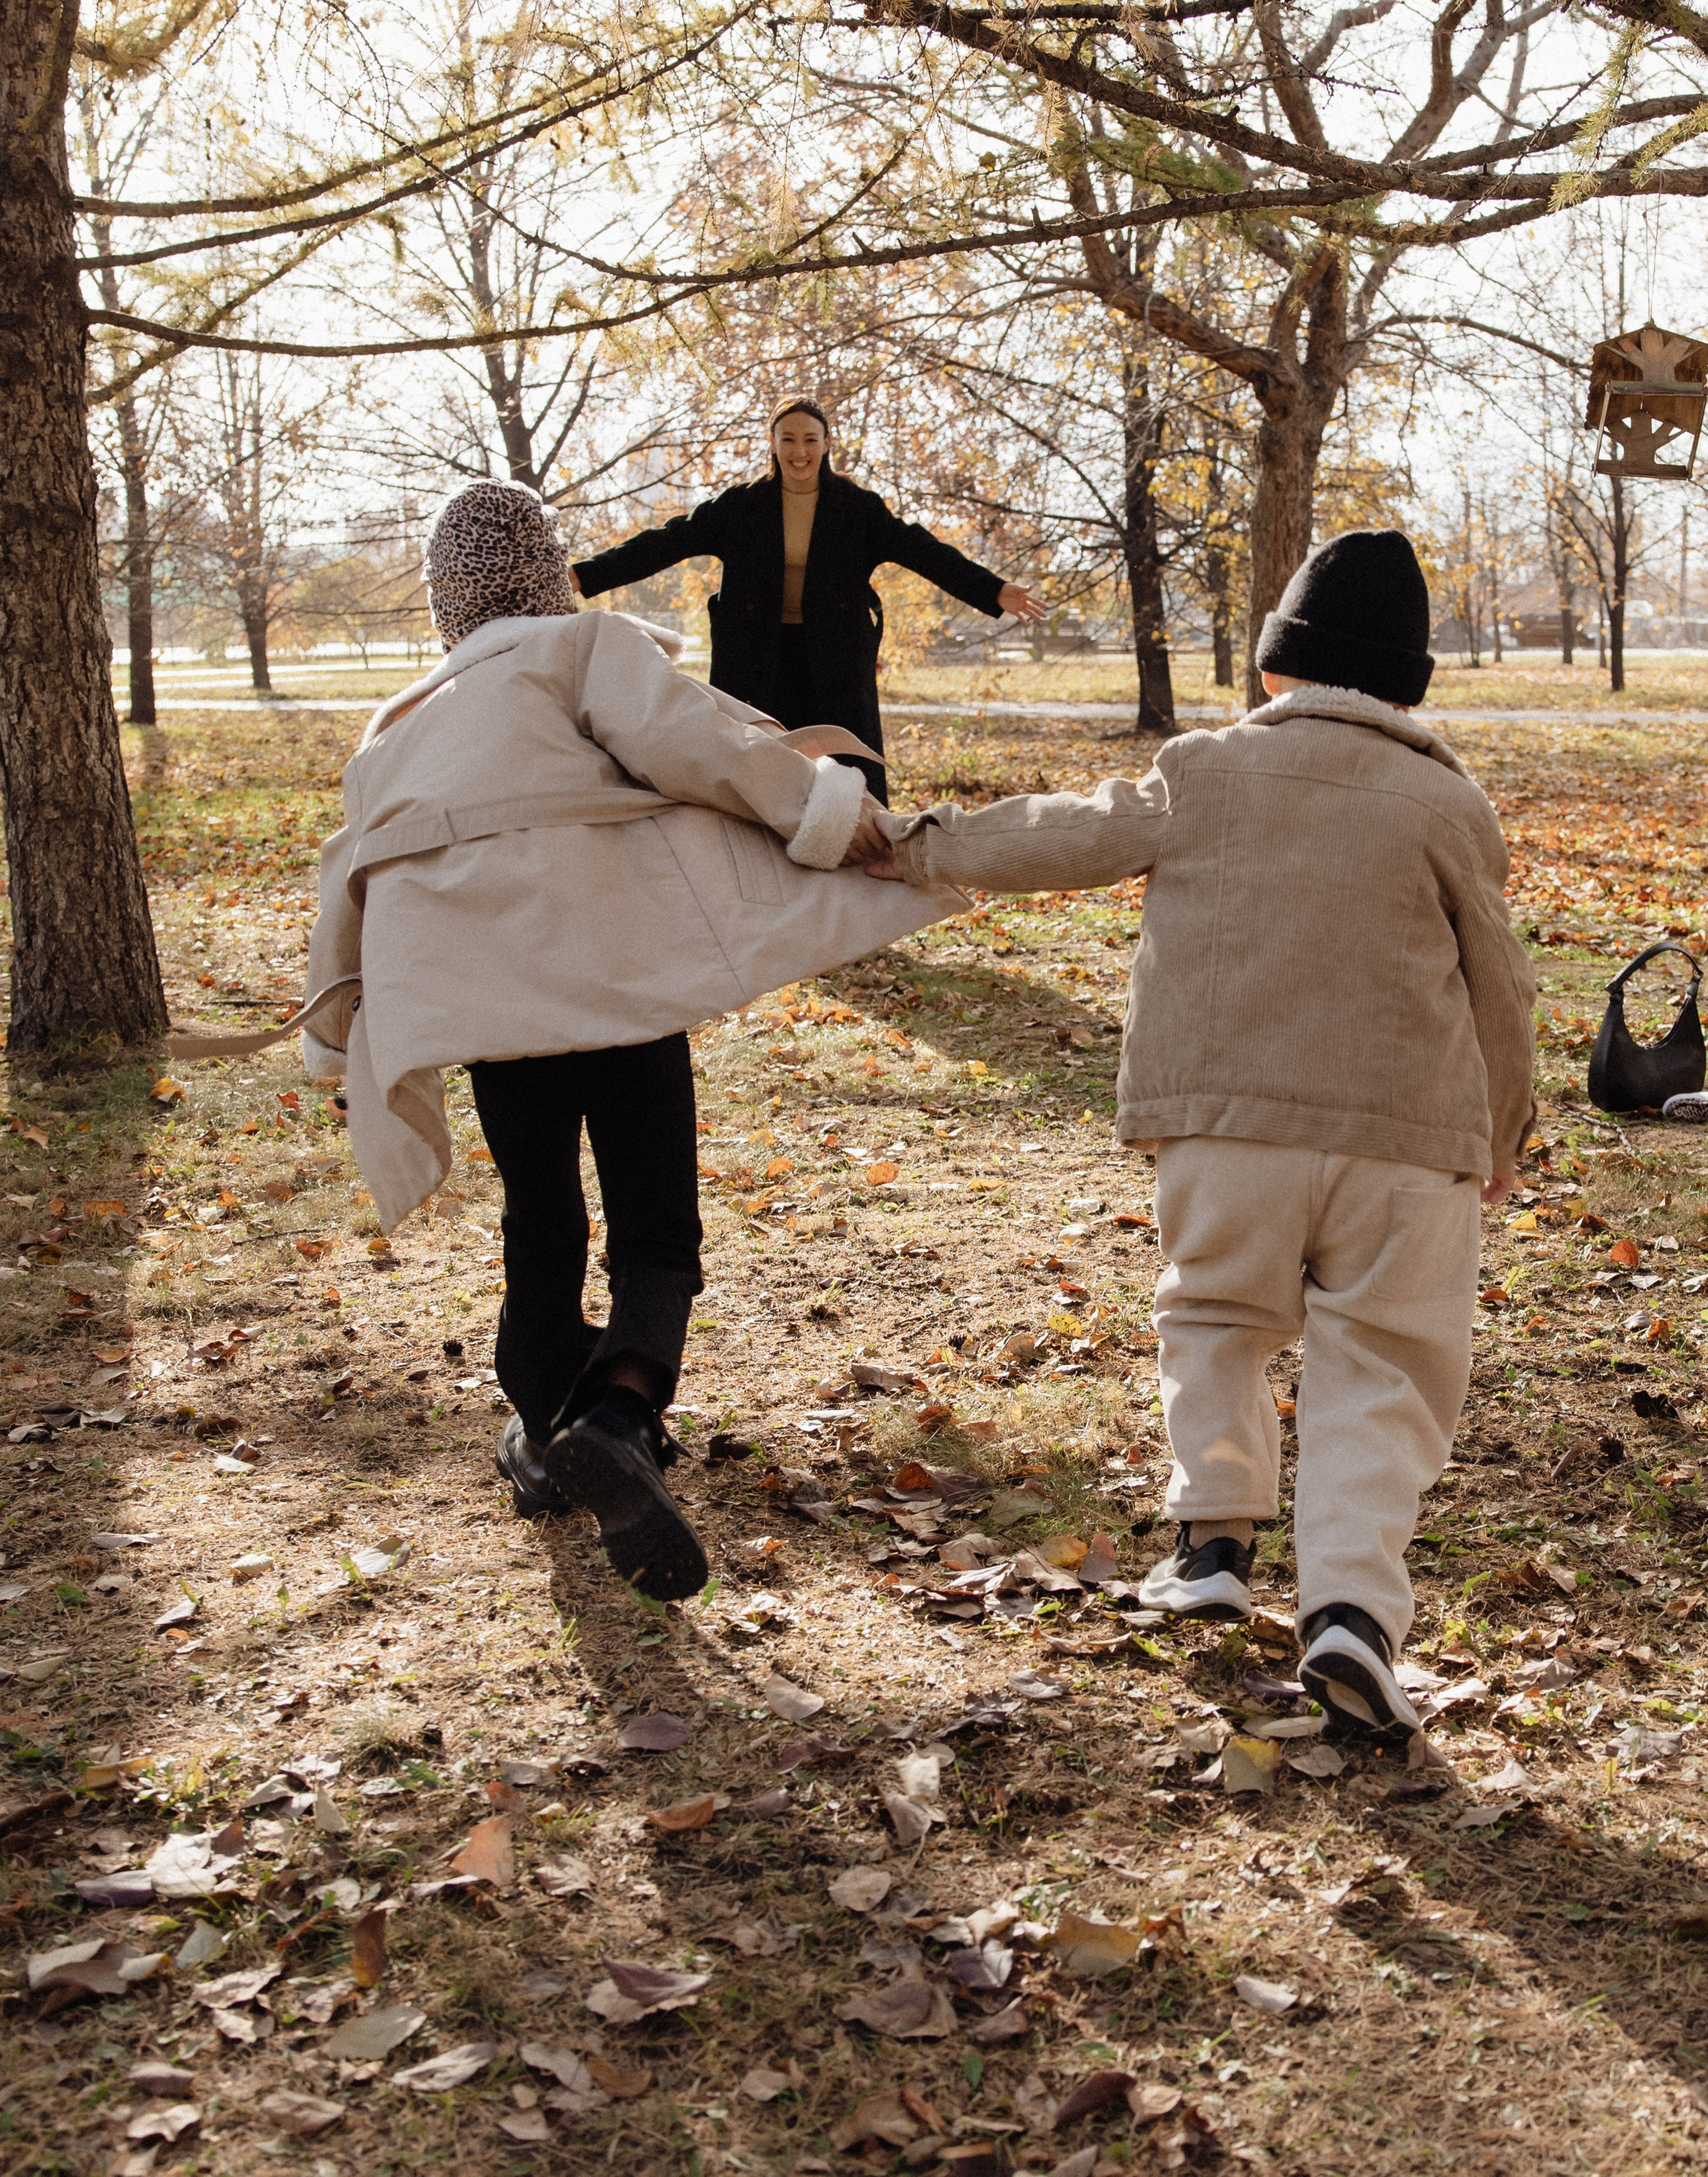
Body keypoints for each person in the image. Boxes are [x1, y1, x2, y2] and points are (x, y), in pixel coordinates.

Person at [866, 528, 1537, 1736]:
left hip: (1228, 1132)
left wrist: (917, 844)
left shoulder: (1204, 770)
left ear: (1275, 668)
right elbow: (1503, 985)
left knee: (1217, 1321)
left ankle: (1213, 1548)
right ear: (1406, 689)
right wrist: (1504, 1137)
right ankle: (1351, 1613)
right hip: (1406, 1142)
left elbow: (1061, 834)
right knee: (1384, 1371)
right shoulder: (1449, 801)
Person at [300, 481, 955, 1600]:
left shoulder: (399, 729)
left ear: (446, 602)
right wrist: (834, 816)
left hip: (493, 1011)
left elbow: (346, 876)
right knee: (655, 1218)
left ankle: (543, 1430)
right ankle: (619, 1410)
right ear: (547, 576)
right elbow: (700, 742)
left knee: (541, 1217)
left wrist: (335, 1042)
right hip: (622, 981)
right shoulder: (584, 650)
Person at [572, 400, 1045, 799]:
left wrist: (994, 590)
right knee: (756, 762)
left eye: (810, 439)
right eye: (789, 439)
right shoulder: (741, 506)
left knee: (848, 762)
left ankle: (869, 848)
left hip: (834, 654)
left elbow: (924, 551)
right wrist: (582, 575)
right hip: (755, 654)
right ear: (773, 443)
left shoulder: (856, 508)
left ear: (826, 443)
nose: (800, 451)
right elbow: (665, 542)